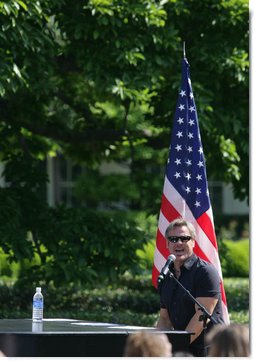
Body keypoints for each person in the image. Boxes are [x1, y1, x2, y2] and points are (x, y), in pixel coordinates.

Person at [156, 218, 226, 357]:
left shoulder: (205, 272)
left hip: (209, 351)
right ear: (167, 244)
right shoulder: (166, 274)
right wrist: (158, 347)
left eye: (184, 238)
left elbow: (201, 317)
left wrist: (176, 347)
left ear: (193, 242)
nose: (179, 243)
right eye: (174, 239)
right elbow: (164, 319)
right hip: (182, 349)